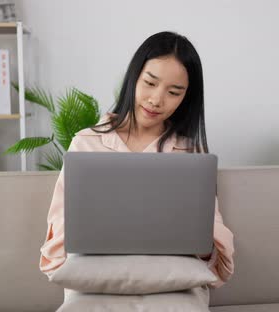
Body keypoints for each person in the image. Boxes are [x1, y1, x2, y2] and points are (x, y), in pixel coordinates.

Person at [39, 31, 235, 287]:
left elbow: (214, 254)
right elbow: (57, 243)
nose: (156, 100)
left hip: (171, 280)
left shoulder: (190, 155)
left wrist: (201, 239)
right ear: (134, 77)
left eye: (174, 92)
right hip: (96, 277)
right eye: (150, 83)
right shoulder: (86, 143)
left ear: (186, 98)